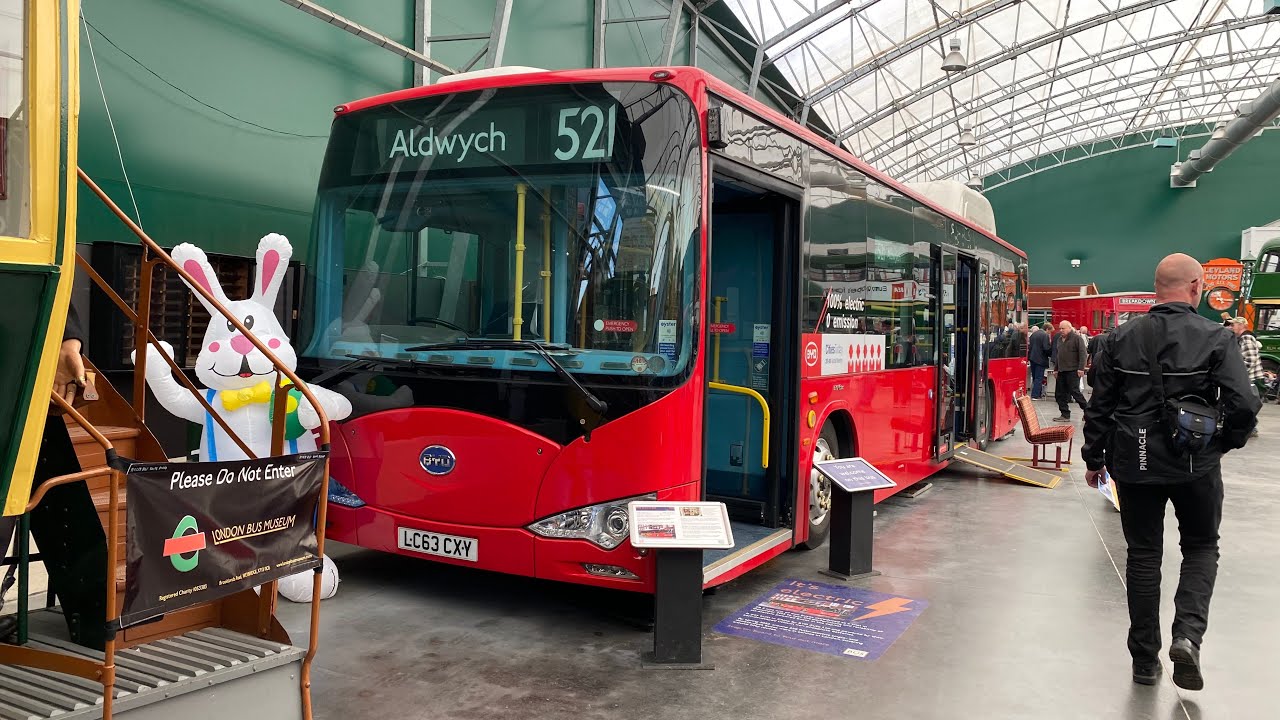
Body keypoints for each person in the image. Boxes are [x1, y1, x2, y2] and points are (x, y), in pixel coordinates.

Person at [1083, 253, 1259, 690]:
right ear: (1198, 286)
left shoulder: (1119, 338)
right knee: (1201, 548)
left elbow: (1099, 406)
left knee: (1143, 556)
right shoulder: (1217, 338)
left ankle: (1145, 661)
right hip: (1196, 464)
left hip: (1135, 461)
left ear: (1156, 286)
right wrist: (1223, 444)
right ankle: (1187, 637)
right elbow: (1245, 404)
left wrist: (1094, 459)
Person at [1230, 317, 1264, 438]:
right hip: (1250, 377)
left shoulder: (1246, 338)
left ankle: (1252, 428)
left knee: (1248, 403)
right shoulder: (1243, 338)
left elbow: (1250, 359)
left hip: (1250, 377)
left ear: (1241, 325)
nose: (1231, 327)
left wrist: (1239, 373)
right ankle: (1252, 426)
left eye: (1233, 325)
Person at [1052, 320, 1088, 422]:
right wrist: (1056, 369)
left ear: (1069, 328)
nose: (1061, 330)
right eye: (1060, 328)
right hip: (1061, 371)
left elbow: (1083, 354)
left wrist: (1081, 368)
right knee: (1059, 394)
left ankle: (1088, 412)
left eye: (1063, 328)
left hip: (1073, 370)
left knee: (1075, 392)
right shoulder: (1059, 339)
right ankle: (1065, 414)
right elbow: (1059, 355)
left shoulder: (1077, 338)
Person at [1028, 323, 1052, 399]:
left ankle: (1038, 393)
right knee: (1039, 377)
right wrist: (1051, 353)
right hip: (1041, 359)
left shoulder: (1033, 335)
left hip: (1032, 358)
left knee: (1035, 377)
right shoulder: (1045, 335)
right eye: (1050, 331)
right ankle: (1035, 395)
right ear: (1047, 329)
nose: (1050, 333)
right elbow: (1046, 348)